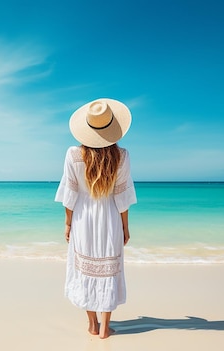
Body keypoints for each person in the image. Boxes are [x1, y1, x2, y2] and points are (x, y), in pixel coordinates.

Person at [55, 98, 137, 339]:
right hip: (109, 219)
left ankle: (92, 324)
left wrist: (68, 223)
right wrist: (125, 226)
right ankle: (104, 327)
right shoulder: (121, 155)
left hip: (83, 220)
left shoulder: (73, 154)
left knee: (85, 271)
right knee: (109, 271)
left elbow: (69, 194)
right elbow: (122, 195)